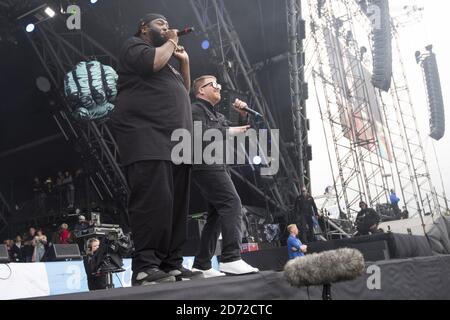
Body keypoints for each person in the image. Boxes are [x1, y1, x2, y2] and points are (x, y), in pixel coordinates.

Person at [111, 13, 202, 285]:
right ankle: (145, 266)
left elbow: (183, 91)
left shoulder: (168, 62)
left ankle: (171, 263)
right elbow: (153, 63)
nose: (166, 27)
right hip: (147, 137)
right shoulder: (135, 47)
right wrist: (172, 43)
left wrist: (184, 63)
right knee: (154, 202)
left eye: (167, 24)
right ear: (143, 28)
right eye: (160, 23)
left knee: (175, 205)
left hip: (175, 142)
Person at [189, 75, 259, 277]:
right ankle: (231, 257)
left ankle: (201, 264)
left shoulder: (216, 115)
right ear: (201, 90)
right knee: (232, 203)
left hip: (219, 165)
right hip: (206, 165)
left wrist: (242, 116)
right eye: (214, 84)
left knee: (218, 213)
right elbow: (201, 134)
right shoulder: (195, 110)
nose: (219, 87)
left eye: (219, 84)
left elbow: (238, 131)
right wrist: (230, 130)